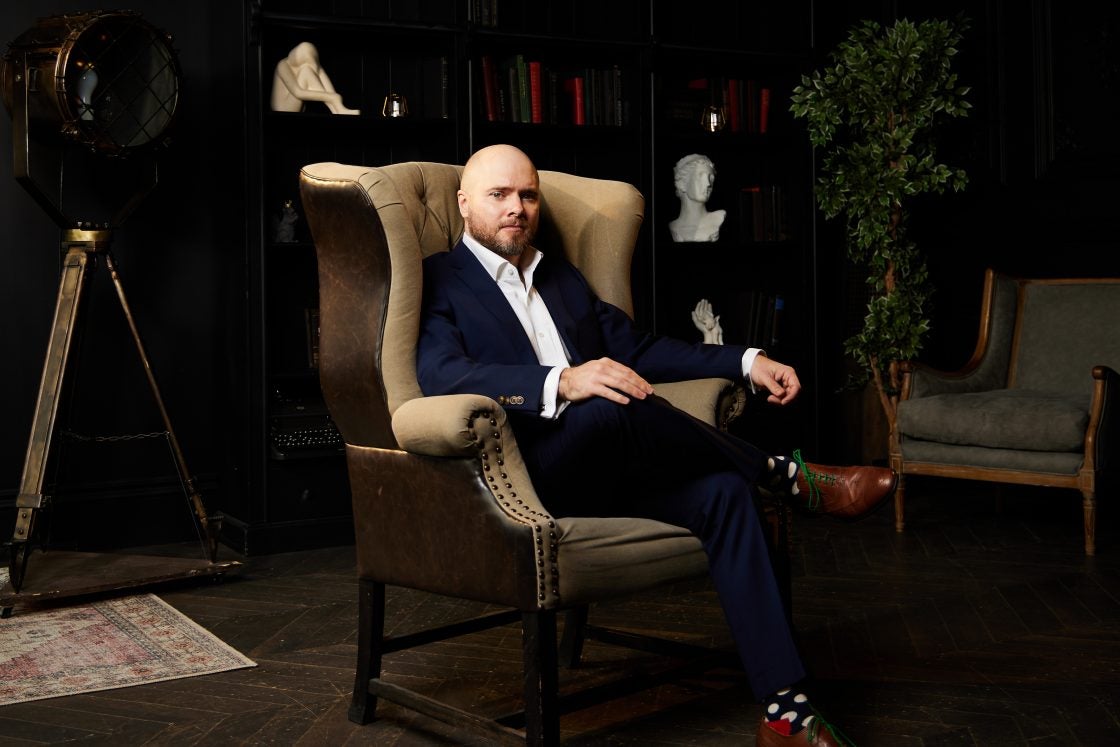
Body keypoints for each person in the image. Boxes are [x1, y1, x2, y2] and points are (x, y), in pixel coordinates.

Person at [416, 144, 895, 747]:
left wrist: (746, 361)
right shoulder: (441, 278)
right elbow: (443, 375)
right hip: (531, 472)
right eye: (499, 195)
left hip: (614, 462)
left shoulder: (559, 276)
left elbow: (637, 350)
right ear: (464, 203)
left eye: (528, 195)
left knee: (725, 492)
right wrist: (563, 381)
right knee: (606, 400)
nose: (517, 208)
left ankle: (785, 712)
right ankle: (784, 474)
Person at [270, 41, 360, 115]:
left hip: (299, 106)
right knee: (305, 72)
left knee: (307, 71)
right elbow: (298, 92)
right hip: (283, 109)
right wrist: (332, 98)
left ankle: (337, 110)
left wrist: (336, 101)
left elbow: (324, 83)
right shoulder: (282, 65)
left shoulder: (310, 64)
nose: (310, 66)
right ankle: (337, 110)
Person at [669, 153, 726, 242]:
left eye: (711, 178)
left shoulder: (719, 218)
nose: (708, 184)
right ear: (682, 184)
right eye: (700, 176)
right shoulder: (673, 227)